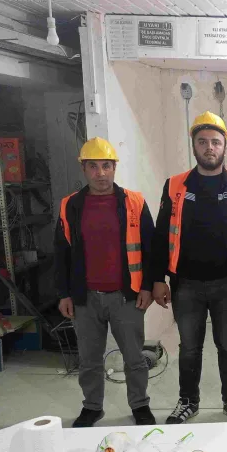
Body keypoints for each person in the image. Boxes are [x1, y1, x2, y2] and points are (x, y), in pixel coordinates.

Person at [151, 111, 227, 423]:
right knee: (189, 348)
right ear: (194, 146)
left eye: (215, 142)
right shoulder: (175, 186)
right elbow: (160, 235)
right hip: (186, 284)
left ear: (224, 146)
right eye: (202, 142)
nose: (209, 147)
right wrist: (157, 279)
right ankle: (188, 401)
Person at [55, 138, 156, 427]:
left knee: (134, 358)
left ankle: (140, 405)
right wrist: (64, 294)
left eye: (106, 166)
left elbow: (151, 248)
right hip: (85, 298)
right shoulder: (70, 205)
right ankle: (92, 407)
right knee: (89, 359)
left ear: (114, 168)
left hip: (126, 296)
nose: (101, 173)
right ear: (84, 169)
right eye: (93, 166)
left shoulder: (134, 202)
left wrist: (148, 286)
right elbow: (61, 252)